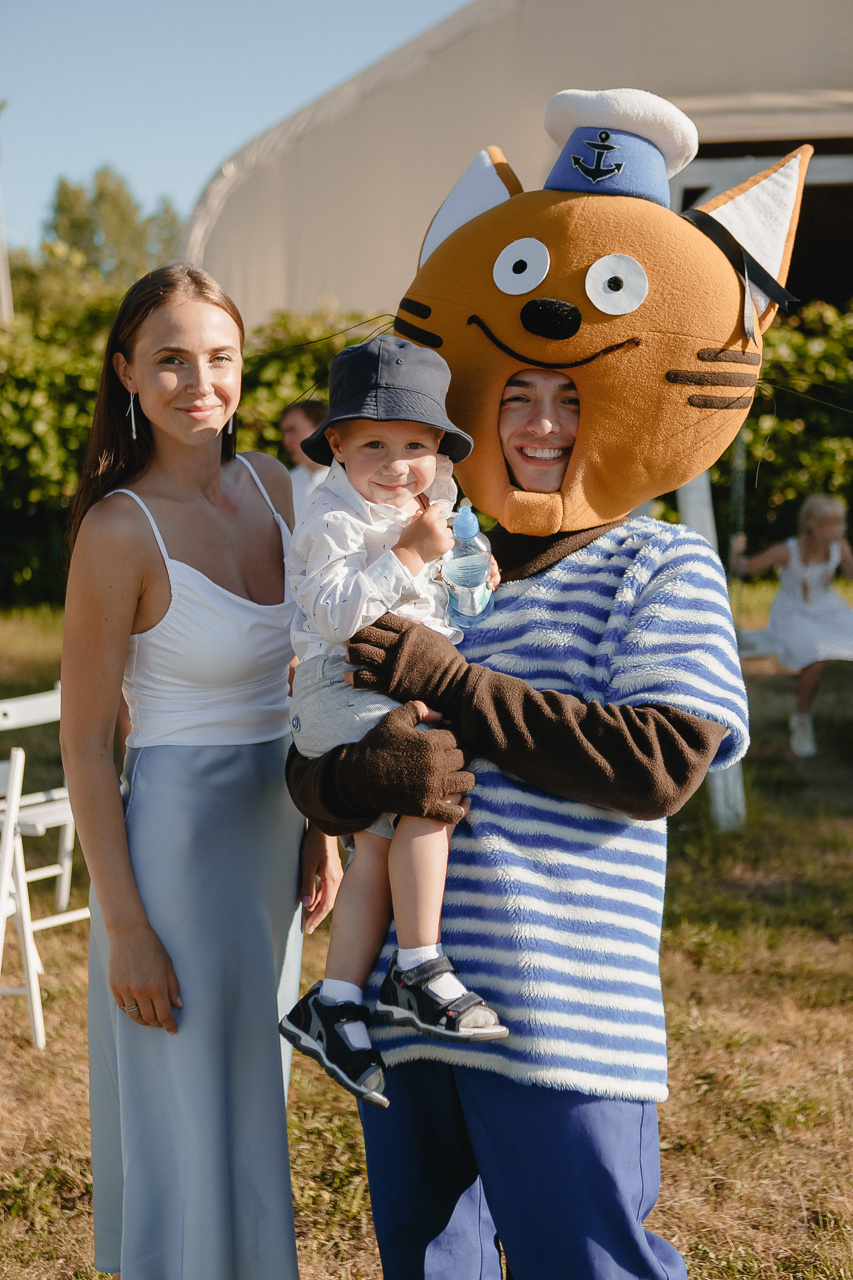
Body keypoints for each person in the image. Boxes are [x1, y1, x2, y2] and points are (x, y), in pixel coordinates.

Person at [286, 365, 749, 1280]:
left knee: (586, 1265)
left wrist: (454, 684)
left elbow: (659, 763)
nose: (544, 425)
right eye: (517, 398)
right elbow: (315, 752)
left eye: (572, 397)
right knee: (428, 1266)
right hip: (405, 1011)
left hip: (562, 1011)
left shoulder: (658, 559)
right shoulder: (423, 549)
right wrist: (352, 779)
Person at [60, 264, 341, 1280]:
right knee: (192, 1105)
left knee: (249, 1089)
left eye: (218, 356)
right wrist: (125, 925)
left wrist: (322, 824)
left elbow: (312, 671)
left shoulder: (276, 484)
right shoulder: (117, 528)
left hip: (274, 834)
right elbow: (88, 742)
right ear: (128, 372)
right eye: (170, 359)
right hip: (176, 854)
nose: (197, 380)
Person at [280, 336, 505, 1110]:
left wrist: (467, 571)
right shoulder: (331, 516)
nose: (394, 463)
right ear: (335, 445)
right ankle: (418, 961)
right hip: (337, 685)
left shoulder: (434, 504)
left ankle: (335, 1000)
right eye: (371, 443)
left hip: (388, 682)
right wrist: (408, 554)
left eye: (413, 444)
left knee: (378, 838)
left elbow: (459, 604)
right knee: (425, 779)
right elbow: (335, 613)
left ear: (438, 447)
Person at [731, 494, 853, 757]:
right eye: (836, 524)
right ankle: (802, 719)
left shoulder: (839, 547)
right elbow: (745, 567)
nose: (842, 529)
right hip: (793, 615)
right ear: (815, 526)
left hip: (828, 610)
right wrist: (736, 551)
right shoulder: (787, 551)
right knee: (817, 653)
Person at [279, 399, 330, 516]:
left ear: (320, 429)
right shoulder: (287, 483)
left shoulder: (353, 481)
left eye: (292, 431)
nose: (286, 441)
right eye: (284, 433)